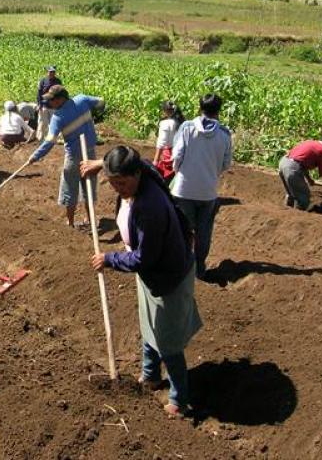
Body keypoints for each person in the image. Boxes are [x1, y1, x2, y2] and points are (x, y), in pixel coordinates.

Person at [81, 146, 201, 417]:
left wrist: (109, 259)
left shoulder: (149, 208)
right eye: (112, 183)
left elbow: (144, 258)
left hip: (167, 275)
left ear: (136, 175)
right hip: (152, 273)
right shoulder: (141, 171)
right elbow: (141, 160)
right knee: (149, 324)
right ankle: (150, 375)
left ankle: (179, 399)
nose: (118, 188)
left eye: (122, 183)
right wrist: (100, 164)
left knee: (168, 340)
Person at [171, 94, 232, 279]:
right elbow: (226, 164)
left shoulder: (187, 128)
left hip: (183, 189)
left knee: (183, 229)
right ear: (218, 111)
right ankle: (199, 268)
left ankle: (182, 266)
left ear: (200, 108)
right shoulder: (224, 134)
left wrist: (179, 172)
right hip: (208, 192)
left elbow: (177, 156)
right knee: (203, 232)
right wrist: (212, 172)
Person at [27, 84, 105, 228]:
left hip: (73, 157)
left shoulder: (58, 117)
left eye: (52, 100)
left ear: (61, 99)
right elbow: (101, 102)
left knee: (70, 188)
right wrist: (94, 115)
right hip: (90, 153)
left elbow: (50, 141)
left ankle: (70, 222)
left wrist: (35, 156)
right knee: (89, 186)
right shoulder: (82, 99)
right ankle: (90, 219)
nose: (49, 102)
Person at [279, 132, 322, 211]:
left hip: (283, 162)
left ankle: (286, 212)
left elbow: (301, 163)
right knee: (303, 197)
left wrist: (309, 179)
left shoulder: (310, 142)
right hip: (292, 168)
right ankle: (297, 215)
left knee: (291, 193)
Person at [153, 101, 185, 181]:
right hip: (182, 154)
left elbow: (161, 142)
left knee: (165, 179)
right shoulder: (183, 123)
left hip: (170, 155)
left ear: (165, 111)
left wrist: (156, 160)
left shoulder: (165, 124)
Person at [36, 65, 62, 141]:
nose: (52, 73)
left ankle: (55, 138)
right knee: (42, 123)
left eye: (53, 72)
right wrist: (39, 104)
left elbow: (61, 93)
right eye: (50, 72)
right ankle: (40, 138)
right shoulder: (43, 81)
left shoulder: (58, 81)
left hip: (54, 106)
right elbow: (39, 93)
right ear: (47, 72)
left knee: (54, 123)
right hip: (44, 105)